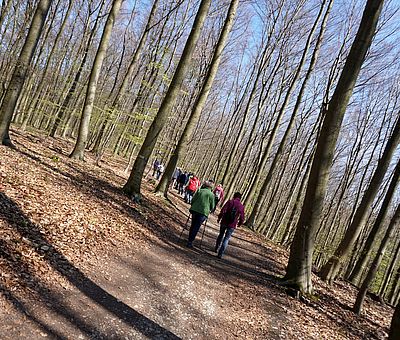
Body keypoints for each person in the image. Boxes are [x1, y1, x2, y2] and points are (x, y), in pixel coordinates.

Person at [215, 192, 245, 259]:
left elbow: (223, 210)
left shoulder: (230, 202)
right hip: (232, 224)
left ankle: (216, 248)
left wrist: (219, 218)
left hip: (224, 221)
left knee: (221, 235)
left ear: (234, 196)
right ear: (240, 198)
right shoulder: (241, 206)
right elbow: (242, 217)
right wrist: (240, 223)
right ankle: (220, 254)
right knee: (226, 238)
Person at [187, 181, 215, 248]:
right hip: (203, 213)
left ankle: (189, 239)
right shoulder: (211, 194)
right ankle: (190, 241)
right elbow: (212, 206)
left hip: (195, 210)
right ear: (211, 187)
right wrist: (210, 210)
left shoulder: (200, 190)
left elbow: (193, 200)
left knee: (193, 225)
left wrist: (193, 205)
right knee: (196, 227)